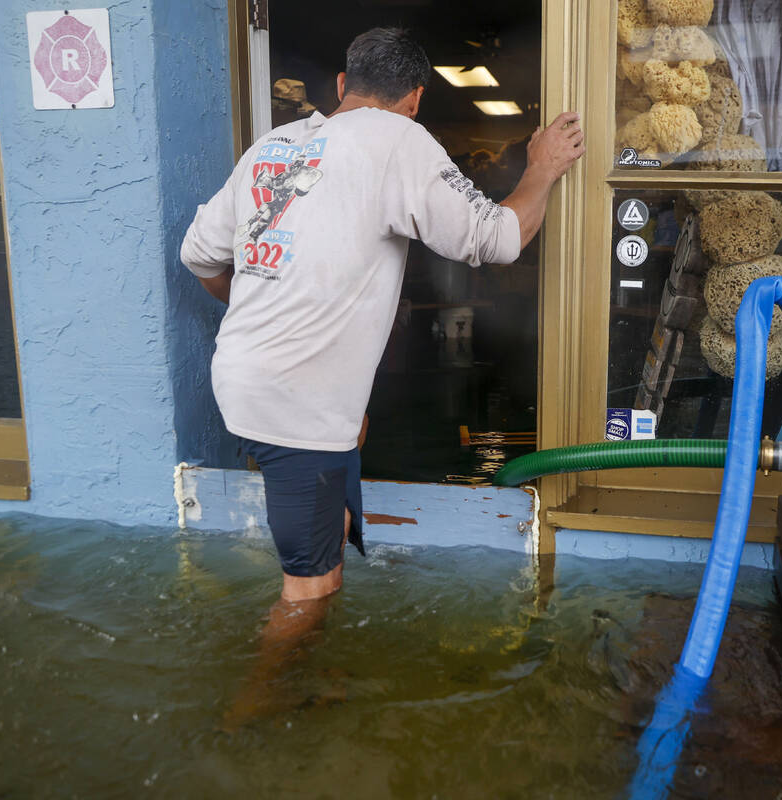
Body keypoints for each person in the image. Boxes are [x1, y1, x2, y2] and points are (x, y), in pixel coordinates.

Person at [179, 27, 583, 723]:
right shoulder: (401, 141)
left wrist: (259, 315)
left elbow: (200, 256)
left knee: (329, 505)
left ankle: (314, 674)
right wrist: (541, 167)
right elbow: (499, 240)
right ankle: (246, 715)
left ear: (342, 85)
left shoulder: (272, 146)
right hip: (293, 404)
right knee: (311, 585)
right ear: (416, 99)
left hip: (248, 380)